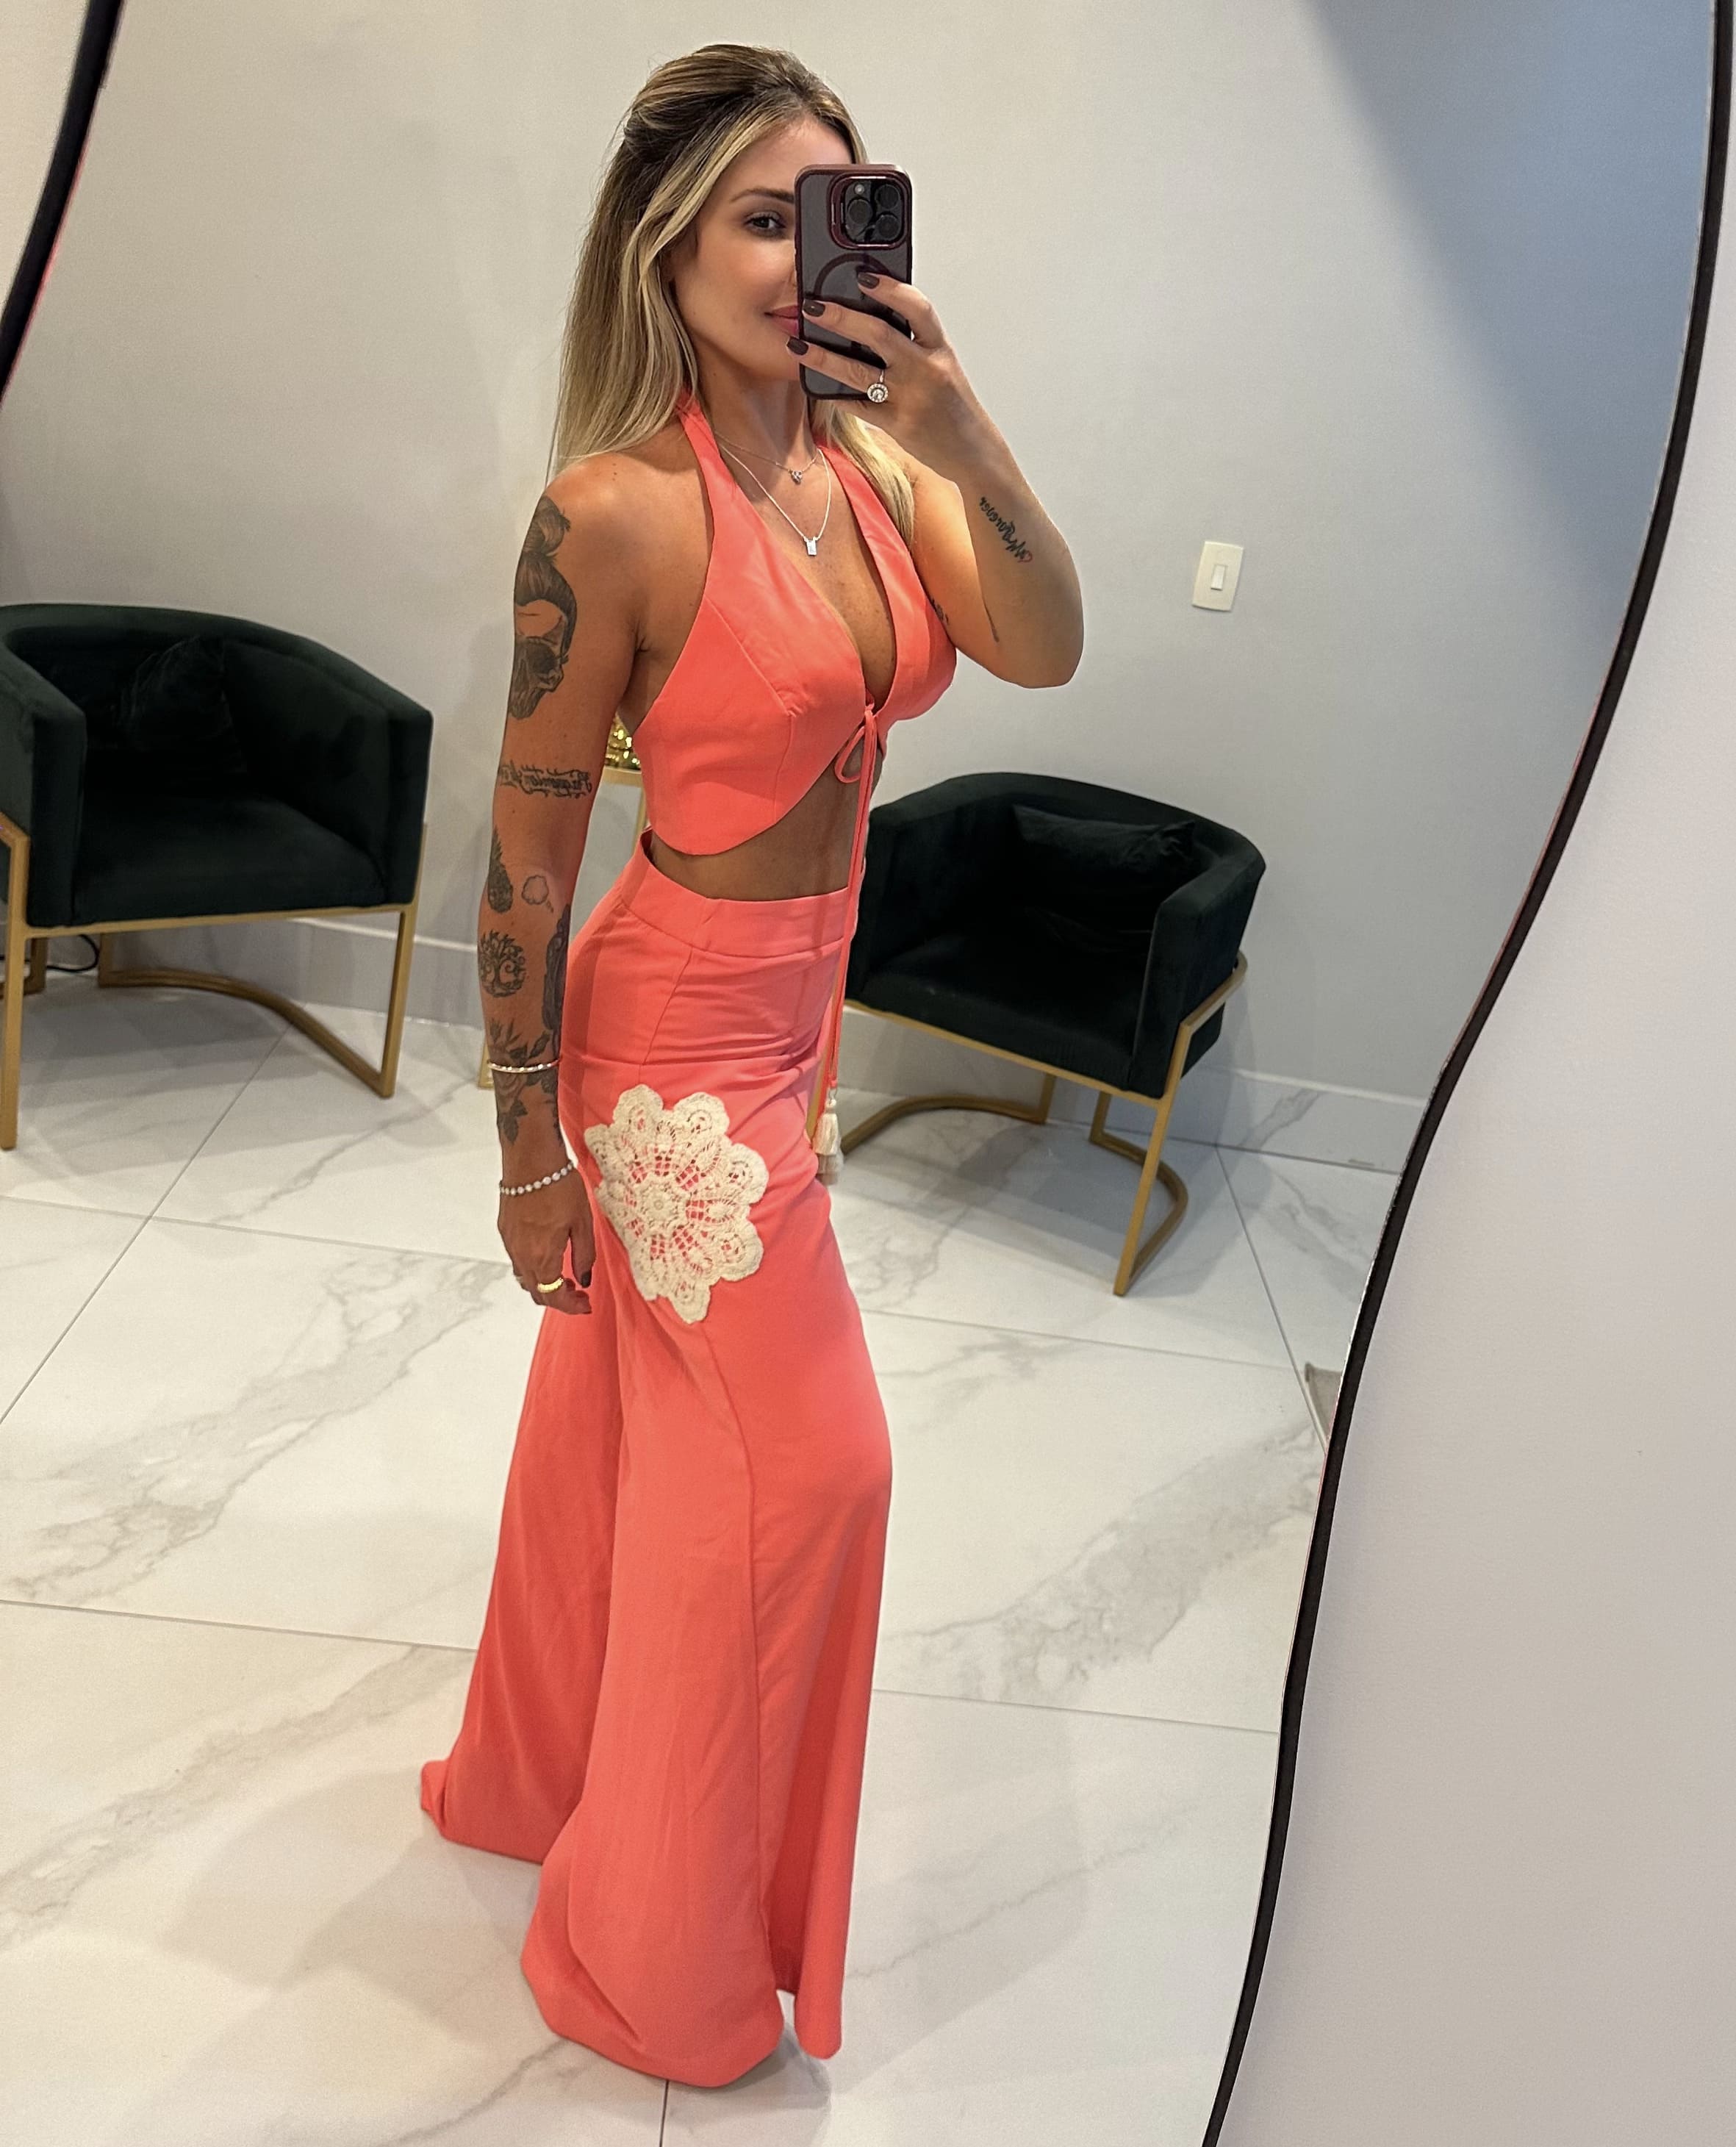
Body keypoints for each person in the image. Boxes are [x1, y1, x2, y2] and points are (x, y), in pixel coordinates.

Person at [419, 41, 1083, 2089]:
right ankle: (650, 1951)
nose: (805, 259)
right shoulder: (608, 515)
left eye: (834, 214)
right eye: (762, 218)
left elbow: (1046, 638)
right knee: (816, 1473)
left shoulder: (879, 476)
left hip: (792, 1029)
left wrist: (959, 421)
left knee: (632, 1433)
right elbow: (527, 860)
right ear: (668, 249)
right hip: (665, 1058)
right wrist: (527, 1151)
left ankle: (542, 1776)